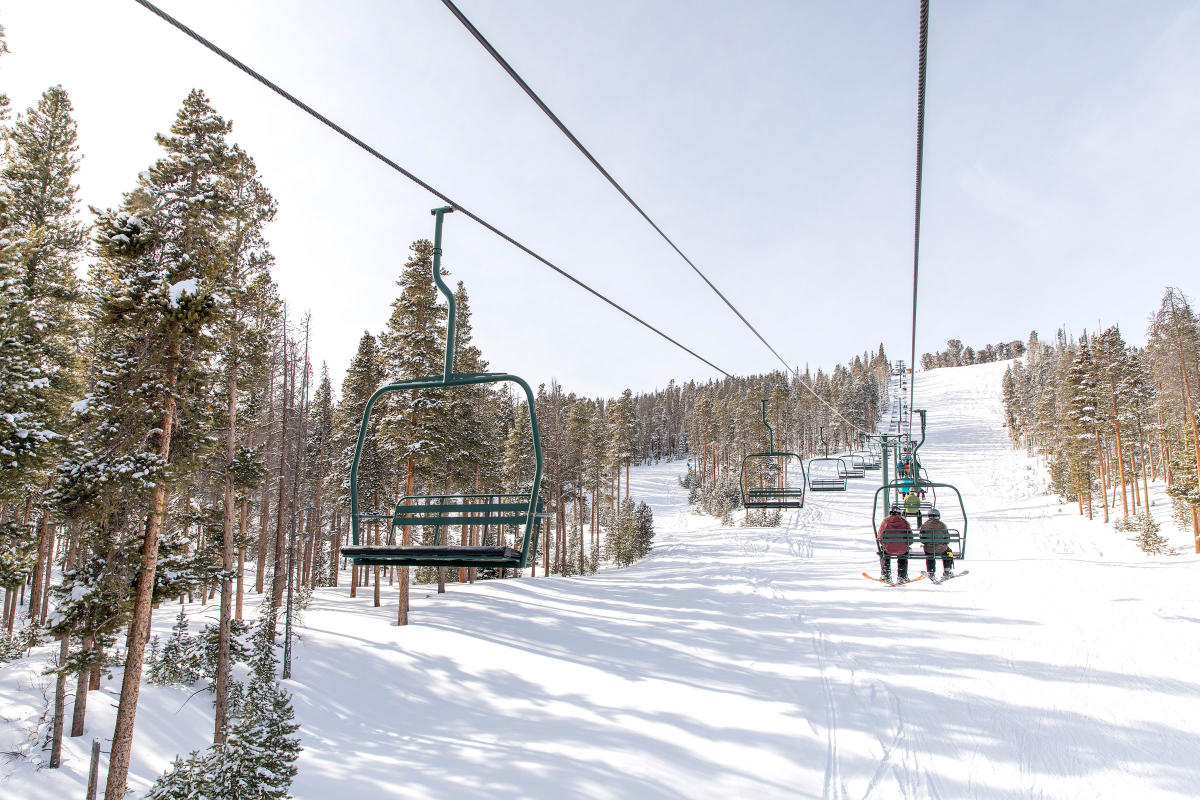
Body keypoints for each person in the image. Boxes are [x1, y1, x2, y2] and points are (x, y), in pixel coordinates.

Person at [877, 504, 913, 582]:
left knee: (883, 553)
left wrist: (884, 544)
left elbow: (880, 536)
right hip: (902, 549)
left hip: (888, 549)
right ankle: (902, 576)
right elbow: (910, 538)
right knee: (903, 554)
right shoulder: (904, 522)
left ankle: (886, 575)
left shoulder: (885, 522)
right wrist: (906, 545)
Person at [919, 508, 954, 578]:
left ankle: (931, 572)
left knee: (929, 554)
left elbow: (923, 540)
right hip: (941, 549)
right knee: (949, 552)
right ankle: (947, 570)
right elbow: (947, 540)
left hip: (929, 549)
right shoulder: (942, 526)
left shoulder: (924, 526)